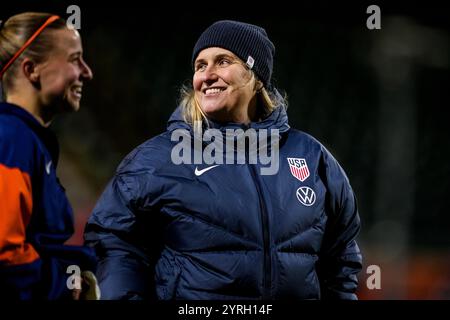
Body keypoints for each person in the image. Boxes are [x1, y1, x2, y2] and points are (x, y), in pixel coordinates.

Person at [84, 20, 363, 300]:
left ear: (257, 78)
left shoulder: (311, 157)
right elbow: (114, 246)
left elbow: (341, 259)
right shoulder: (154, 160)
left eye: (223, 61)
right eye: (200, 66)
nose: (207, 75)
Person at [0, 12, 99, 300]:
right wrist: (66, 285)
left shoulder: (26, 139)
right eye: (74, 59)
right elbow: (5, 250)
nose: (87, 72)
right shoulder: (11, 138)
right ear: (32, 70)